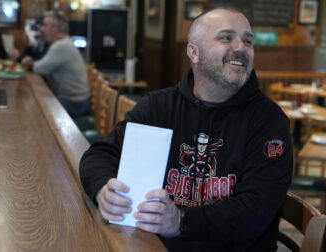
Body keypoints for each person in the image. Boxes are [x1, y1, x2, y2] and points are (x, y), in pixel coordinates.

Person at [80, 8, 292, 251]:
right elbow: (100, 154)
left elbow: (255, 209)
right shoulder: (158, 107)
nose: (241, 47)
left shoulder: (269, 122)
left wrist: (181, 221)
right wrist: (102, 189)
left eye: (248, 41)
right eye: (226, 38)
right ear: (194, 52)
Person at [22, 11, 90, 117]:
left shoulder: (61, 46)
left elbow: (39, 68)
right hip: (75, 100)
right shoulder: (63, 42)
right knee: (38, 104)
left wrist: (30, 63)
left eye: (45, 25)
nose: (40, 29)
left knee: (36, 109)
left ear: (56, 28)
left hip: (75, 103)